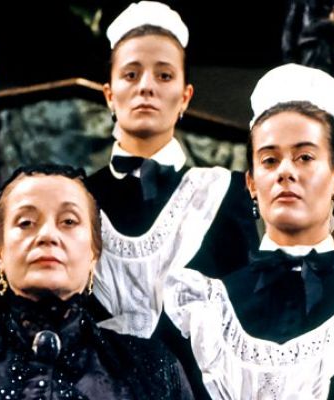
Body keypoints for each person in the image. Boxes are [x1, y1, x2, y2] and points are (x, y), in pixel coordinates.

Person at [0, 164, 194, 400]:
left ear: (94, 254)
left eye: (68, 221)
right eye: (26, 222)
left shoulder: (153, 370)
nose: (47, 235)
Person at [164, 63, 334, 399]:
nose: (285, 172)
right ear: (251, 184)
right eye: (269, 160)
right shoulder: (201, 313)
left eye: (305, 157)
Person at [86, 1, 258, 279]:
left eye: (164, 76)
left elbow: (244, 295)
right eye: (131, 75)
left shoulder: (223, 193)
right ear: (109, 95)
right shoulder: (80, 197)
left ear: (185, 97)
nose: (146, 87)